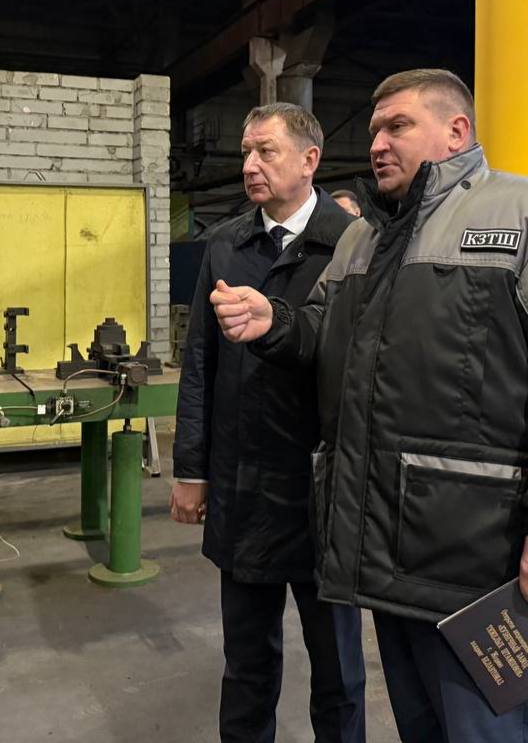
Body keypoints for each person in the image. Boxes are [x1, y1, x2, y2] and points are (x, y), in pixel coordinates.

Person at [209, 69, 528, 743]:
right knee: (421, 724)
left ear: (456, 131)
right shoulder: (363, 240)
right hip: (387, 543)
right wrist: (277, 323)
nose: (377, 143)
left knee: (482, 728)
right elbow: (324, 333)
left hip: (477, 553)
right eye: (375, 129)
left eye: (398, 126)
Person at [171, 102, 366, 743]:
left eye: (266, 152)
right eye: (246, 153)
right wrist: (192, 469)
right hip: (244, 483)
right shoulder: (227, 243)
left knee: (338, 669)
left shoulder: (353, 243)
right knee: (247, 662)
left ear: (310, 160)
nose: (251, 165)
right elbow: (200, 362)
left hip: (324, 491)